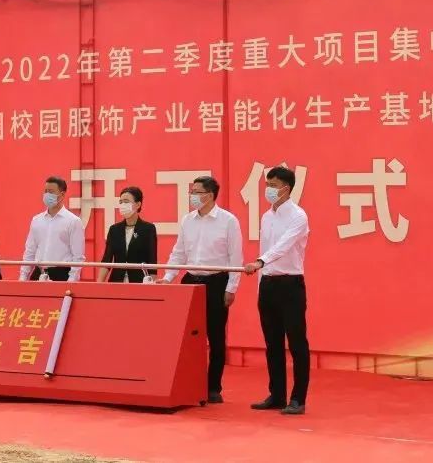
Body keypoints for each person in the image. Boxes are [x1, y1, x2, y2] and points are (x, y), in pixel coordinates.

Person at [158, 176, 243, 403]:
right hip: (190, 282)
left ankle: (213, 387)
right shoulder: (187, 220)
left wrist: (231, 287)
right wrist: (167, 277)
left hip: (216, 282)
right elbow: (178, 253)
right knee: (187, 337)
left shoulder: (228, 221)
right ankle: (189, 384)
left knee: (215, 337)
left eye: (197, 192)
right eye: (192, 191)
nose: (192, 196)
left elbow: (236, 258)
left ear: (210, 195)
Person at [244, 166, 310, 415]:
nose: (269, 190)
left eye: (273, 185)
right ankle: (277, 395)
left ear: (286, 188)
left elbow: (283, 246)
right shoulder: (266, 216)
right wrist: (261, 280)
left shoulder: (298, 216)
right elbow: (266, 247)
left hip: (290, 285)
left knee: (296, 343)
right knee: (272, 343)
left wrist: (260, 261)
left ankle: (298, 399)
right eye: (267, 185)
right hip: (268, 283)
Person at [19, 176, 84, 282]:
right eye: (45, 191)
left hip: (61, 275)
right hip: (38, 274)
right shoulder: (36, 220)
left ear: (62, 195)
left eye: (51, 192)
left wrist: (71, 281)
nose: (47, 195)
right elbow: (30, 251)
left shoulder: (73, 221)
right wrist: (23, 277)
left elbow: (78, 257)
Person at [98, 186, 158, 283]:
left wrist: (153, 284)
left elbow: (152, 261)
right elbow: (106, 259)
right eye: (121, 202)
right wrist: (99, 283)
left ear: (138, 204)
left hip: (139, 282)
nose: (123, 205)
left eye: (126, 202)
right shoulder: (114, 229)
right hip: (116, 281)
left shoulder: (148, 229)